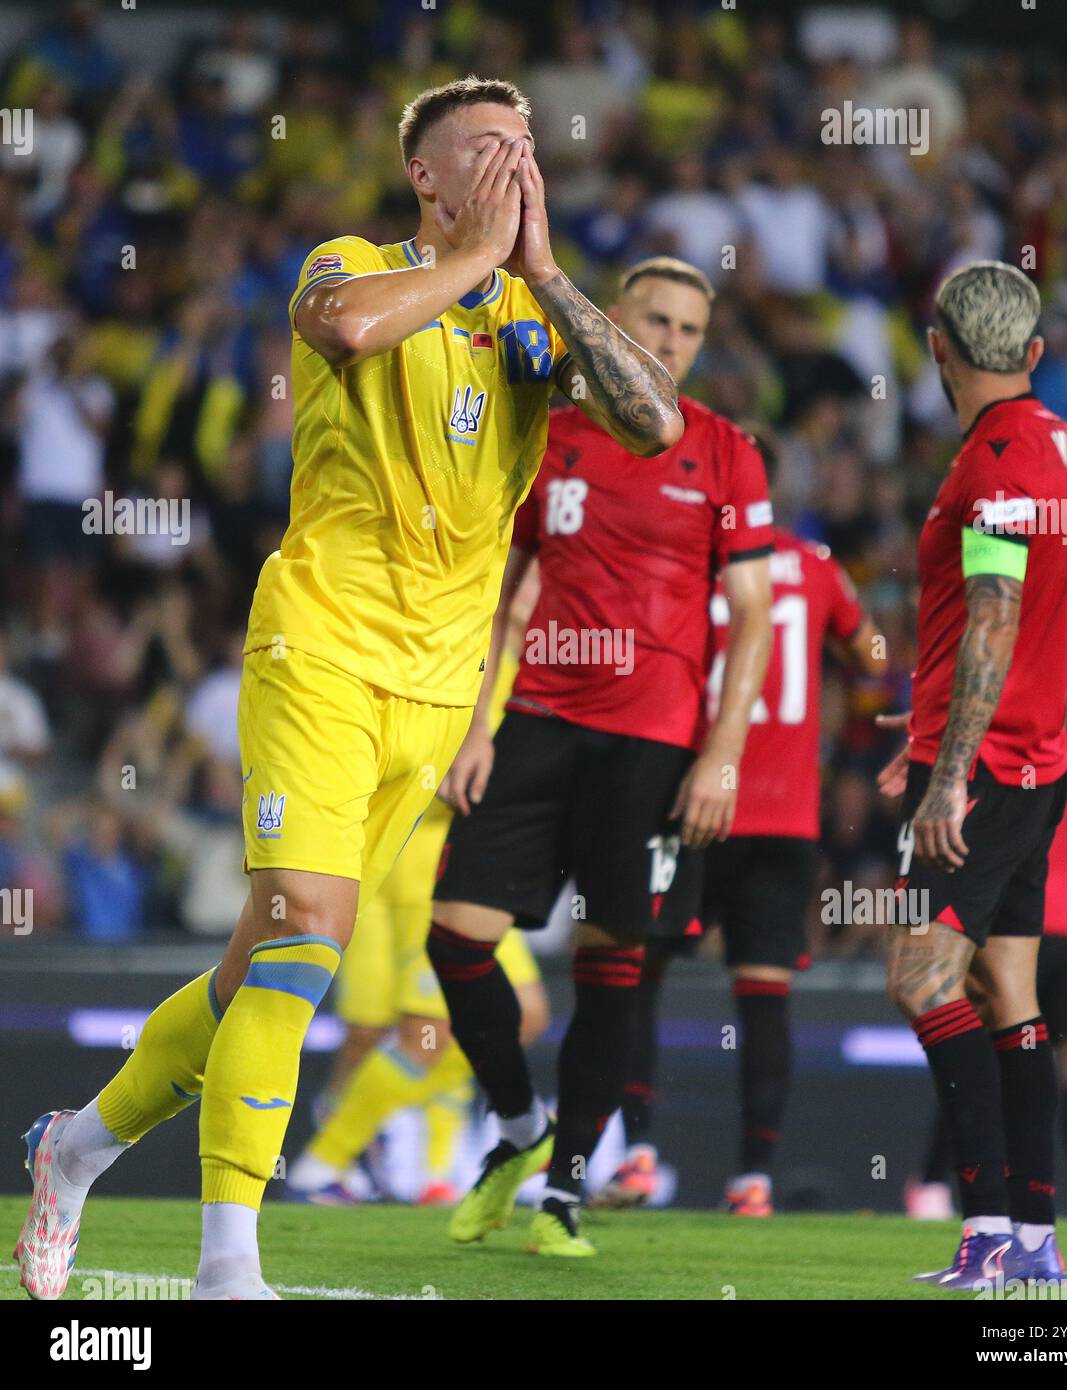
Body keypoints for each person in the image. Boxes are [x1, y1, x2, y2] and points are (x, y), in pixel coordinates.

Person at [14, 75, 683, 1302]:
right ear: (424, 175)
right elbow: (348, 330)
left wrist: (539, 271)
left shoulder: (532, 325)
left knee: (258, 973)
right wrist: (478, 254)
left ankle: (77, 1147)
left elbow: (653, 421)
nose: (512, 164)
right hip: (318, 645)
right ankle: (229, 1267)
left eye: (526, 150)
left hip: (433, 695)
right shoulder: (354, 262)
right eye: (483, 148)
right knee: (305, 931)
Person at [428, 256, 775, 1256]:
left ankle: (566, 1193)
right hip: (538, 718)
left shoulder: (723, 452)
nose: (667, 342)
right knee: (454, 935)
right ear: (607, 323)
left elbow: (751, 617)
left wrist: (722, 756)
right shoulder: (553, 436)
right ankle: (518, 1128)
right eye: (652, 321)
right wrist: (474, 722)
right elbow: (509, 592)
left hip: (655, 744)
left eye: (686, 329)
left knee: (611, 963)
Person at [879, 260, 1067, 1289]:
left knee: (921, 974)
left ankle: (985, 1234)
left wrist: (946, 772)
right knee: (1006, 985)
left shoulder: (994, 464)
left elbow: (998, 615)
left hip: (988, 763)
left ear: (938, 349)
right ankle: (1038, 1244)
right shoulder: (1063, 445)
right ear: (1035, 353)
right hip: (1038, 756)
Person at [600, 431, 883, 1215]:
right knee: (761, 997)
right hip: (783, 820)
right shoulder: (818, 567)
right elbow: (870, 656)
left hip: (687, 798)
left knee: (637, 977)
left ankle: (639, 1156)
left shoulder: (682, 562)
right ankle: (753, 1176)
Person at [285, 566, 550, 1206]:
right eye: (538, 575)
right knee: (420, 1030)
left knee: (476, 1022)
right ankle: (326, 1161)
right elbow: (440, 766)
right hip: (426, 868)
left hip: (461, 864)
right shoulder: (462, 653)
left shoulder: (516, 659)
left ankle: (419, 1161)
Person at [901, 671, 1067, 1223]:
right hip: (1006, 927)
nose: (1062, 679)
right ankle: (930, 1182)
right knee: (983, 1059)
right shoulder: (991, 746)